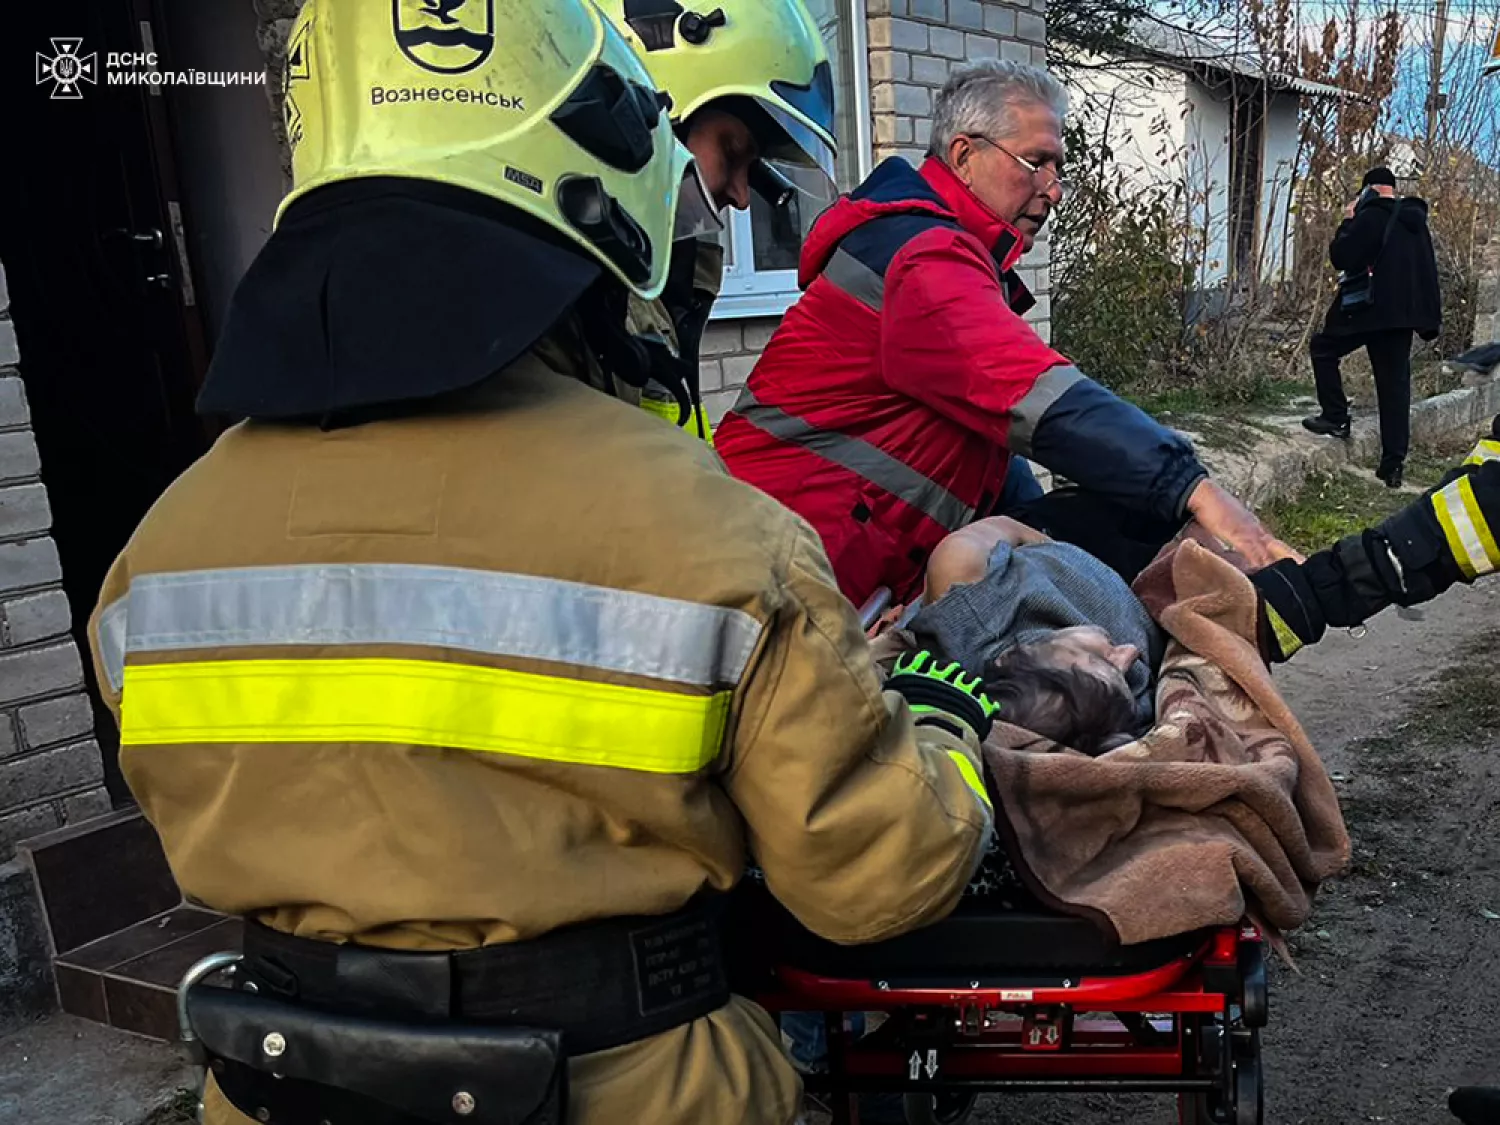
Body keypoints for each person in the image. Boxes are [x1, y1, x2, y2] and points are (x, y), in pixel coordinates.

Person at [86, 4, 1002, 1123]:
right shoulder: (709, 534)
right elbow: (878, 878)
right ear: (599, 186)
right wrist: (942, 729)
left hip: (277, 1090)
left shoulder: (154, 560)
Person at [714, 58, 1295, 611]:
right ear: (965, 155)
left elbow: (986, 457)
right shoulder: (923, 260)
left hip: (815, 562)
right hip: (771, 567)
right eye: (1035, 162)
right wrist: (1193, 489)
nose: (1054, 188)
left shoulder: (944, 255)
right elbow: (1034, 393)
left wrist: (1055, 546)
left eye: (1059, 168)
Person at [598, 0, 838, 442]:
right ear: (645, 121)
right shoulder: (565, 303)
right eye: (731, 154)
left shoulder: (657, 292)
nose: (744, 199)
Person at [1302, 166, 1442, 489]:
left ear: (1369, 190)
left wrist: (1348, 219)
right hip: (1401, 320)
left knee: (1323, 348)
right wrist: (1427, 320)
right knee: (1395, 388)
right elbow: (1426, 273)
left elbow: (1341, 255)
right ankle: (1392, 467)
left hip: (1366, 312)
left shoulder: (1370, 215)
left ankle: (1336, 416)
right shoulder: (1416, 223)